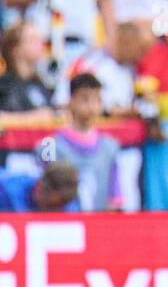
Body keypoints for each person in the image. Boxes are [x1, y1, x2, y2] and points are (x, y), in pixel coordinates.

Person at [42, 72, 121, 211]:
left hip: (99, 222)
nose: (91, 106)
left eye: (97, 100)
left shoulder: (110, 146)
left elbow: (115, 194)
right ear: (70, 101)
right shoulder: (50, 145)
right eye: (85, 99)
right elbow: (43, 190)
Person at [0, 160, 80, 212]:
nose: (52, 212)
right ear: (39, 188)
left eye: (58, 206)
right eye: (50, 205)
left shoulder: (70, 206)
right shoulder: (6, 189)